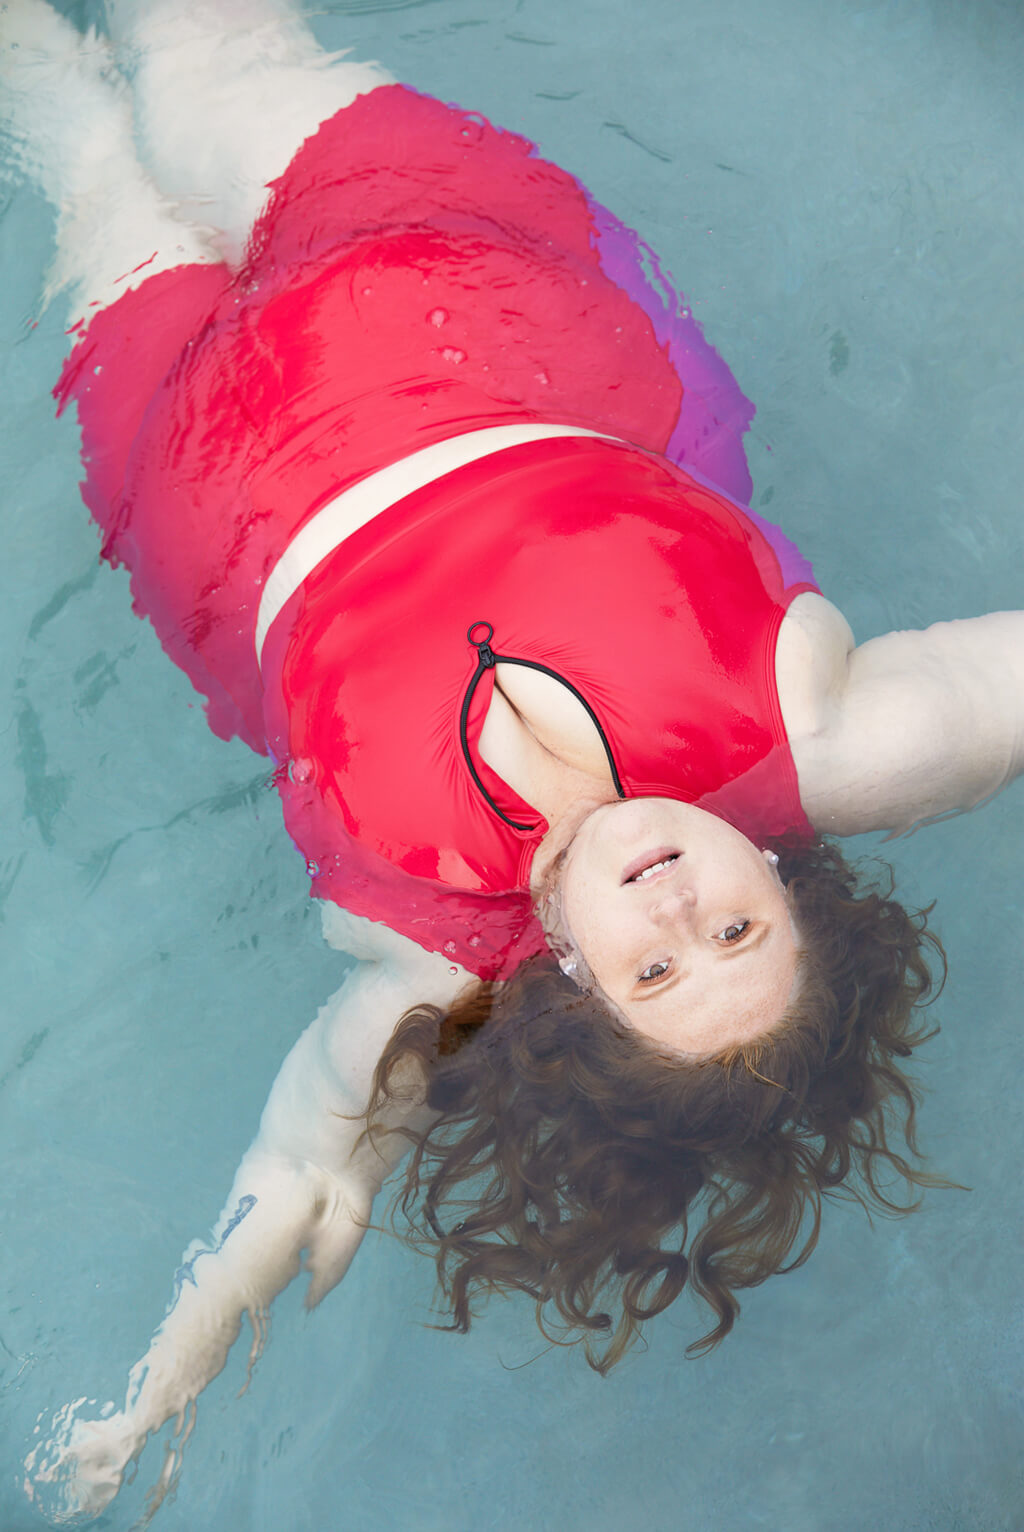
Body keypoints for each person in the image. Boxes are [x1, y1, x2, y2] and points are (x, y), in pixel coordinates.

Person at [5, 0, 1022, 1520]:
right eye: (739, 930)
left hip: (194, 464)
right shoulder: (827, 741)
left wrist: (171, 1368)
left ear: (567, 988)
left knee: (76, 139)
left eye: (658, 973)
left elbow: (303, 1167)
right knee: (202, 51)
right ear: (791, 884)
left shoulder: (430, 963)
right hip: (451, 266)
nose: (680, 910)